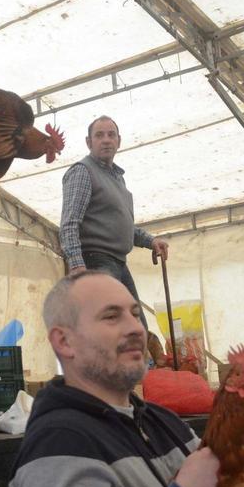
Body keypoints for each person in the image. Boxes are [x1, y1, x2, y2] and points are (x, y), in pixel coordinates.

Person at [9, 271, 220, 487]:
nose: (136, 328)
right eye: (112, 316)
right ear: (64, 341)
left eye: (135, 314)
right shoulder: (60, 440)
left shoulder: (163, 420)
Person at [59, 116, 169, 329]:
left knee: (136, 328)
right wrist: (77, 265)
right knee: (113, 329)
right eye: (99, 135)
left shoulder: (117, 178)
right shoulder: (82, 171)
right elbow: (69, 223)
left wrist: (151, 240)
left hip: (117, 262)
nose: (106, 140)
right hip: (96, 262)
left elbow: (125, 226)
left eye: (111, 135)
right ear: (89, 142)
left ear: (119, 141)